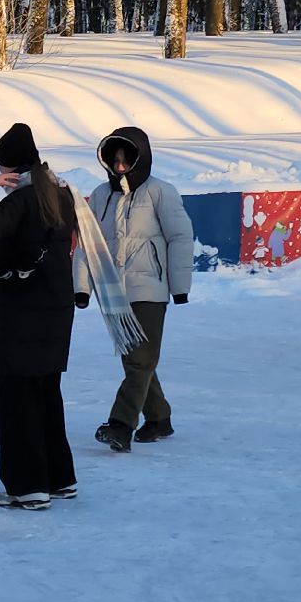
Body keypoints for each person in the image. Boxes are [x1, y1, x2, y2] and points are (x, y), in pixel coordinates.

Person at [0, 123, 89, 510]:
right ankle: (58, 477)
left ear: (11, 168)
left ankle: (26, 485)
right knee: (47, 393)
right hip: (56, 311)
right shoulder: (61, 194)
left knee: (17, 399)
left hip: (21, 312)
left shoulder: (21, 201)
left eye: (2, 169)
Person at [86, 127, 195, 452]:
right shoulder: (100, 195)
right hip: (114, 292)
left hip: (150, 288)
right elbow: (90, 245)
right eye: (114, 160)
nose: (120, 167)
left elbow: (180, 237)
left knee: (139, 361)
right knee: (137, 361)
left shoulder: (161, 192)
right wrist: (82, 287)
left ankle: (120, 425)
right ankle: (159, 418)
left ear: (140, 159)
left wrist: (179, 287)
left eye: (126, 160)